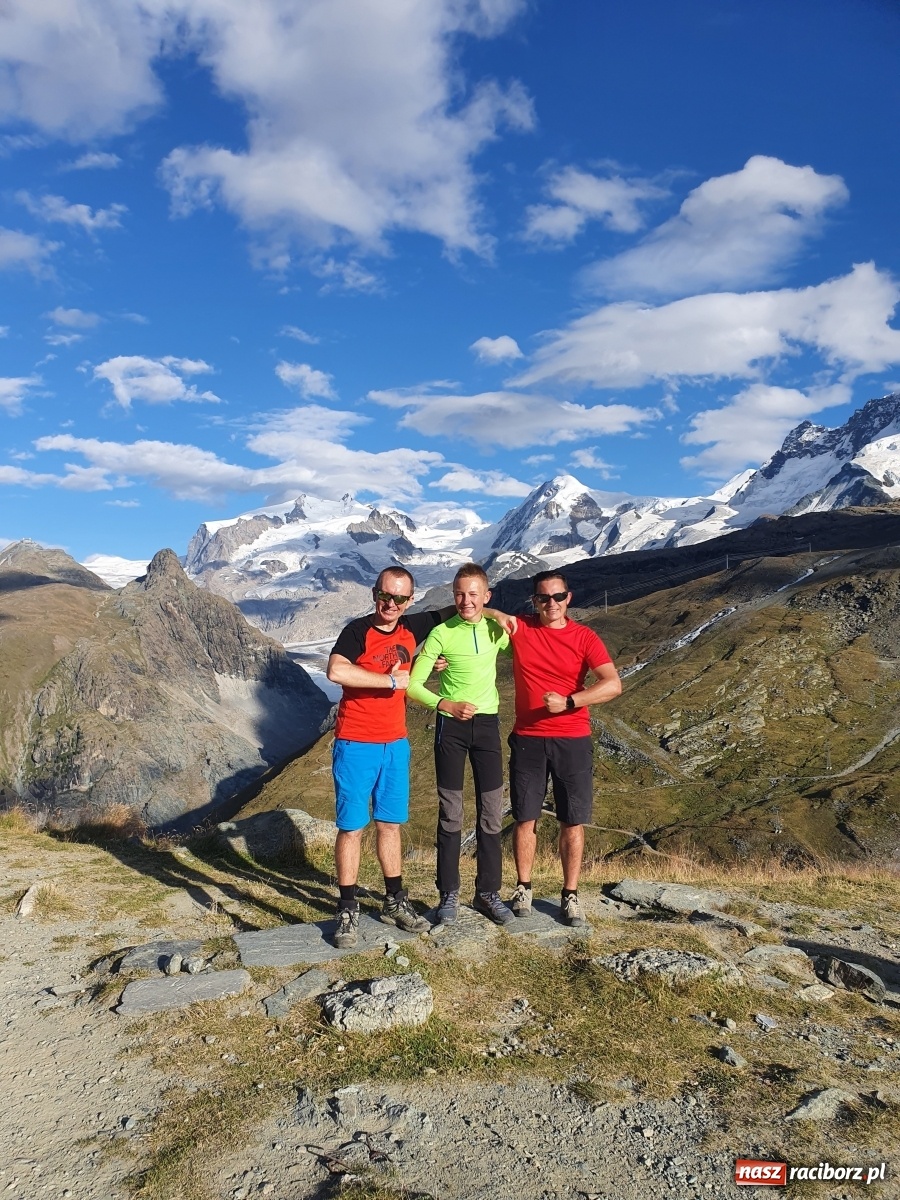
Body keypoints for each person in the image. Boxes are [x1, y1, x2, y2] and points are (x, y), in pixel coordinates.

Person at [325, 567, 448, 948]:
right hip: (356, 741)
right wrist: (391, 681)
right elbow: (335, 670)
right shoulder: (357, 631)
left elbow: (461, 609)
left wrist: (501, 616)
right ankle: (347, 908)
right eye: (385, 595)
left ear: (410, 600)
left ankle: (394, 899)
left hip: (395, 743)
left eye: (399, 598)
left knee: (390, 824)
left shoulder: (414, 626)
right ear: (374, 593)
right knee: (351, 827)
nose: (390, 604)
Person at [506, 570, 621, 927]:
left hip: (572, 737)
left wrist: (571, 702)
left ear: (568, 598)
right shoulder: (521, 627)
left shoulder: (584, 637)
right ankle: (523, 887)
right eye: (543, 598)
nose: (551, 604)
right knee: (525, 817)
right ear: (534, 601)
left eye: (558, 597)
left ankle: (570, 894)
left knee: (573, 820)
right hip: (528, 737)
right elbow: (484, 614)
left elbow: (613, 684)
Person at [407, 563, 516, 927]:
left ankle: (488, 893)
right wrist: (446, 705)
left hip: (487, 726)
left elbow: (525, 647)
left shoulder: (494, 629)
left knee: (491, 811)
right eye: (459, 594)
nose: (465, 601)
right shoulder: (441, 633)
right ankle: (448, 894)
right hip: (450, 727)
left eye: (473, 594)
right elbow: (412, 685)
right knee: (451, 812)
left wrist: (500, 615)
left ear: (486, 596)